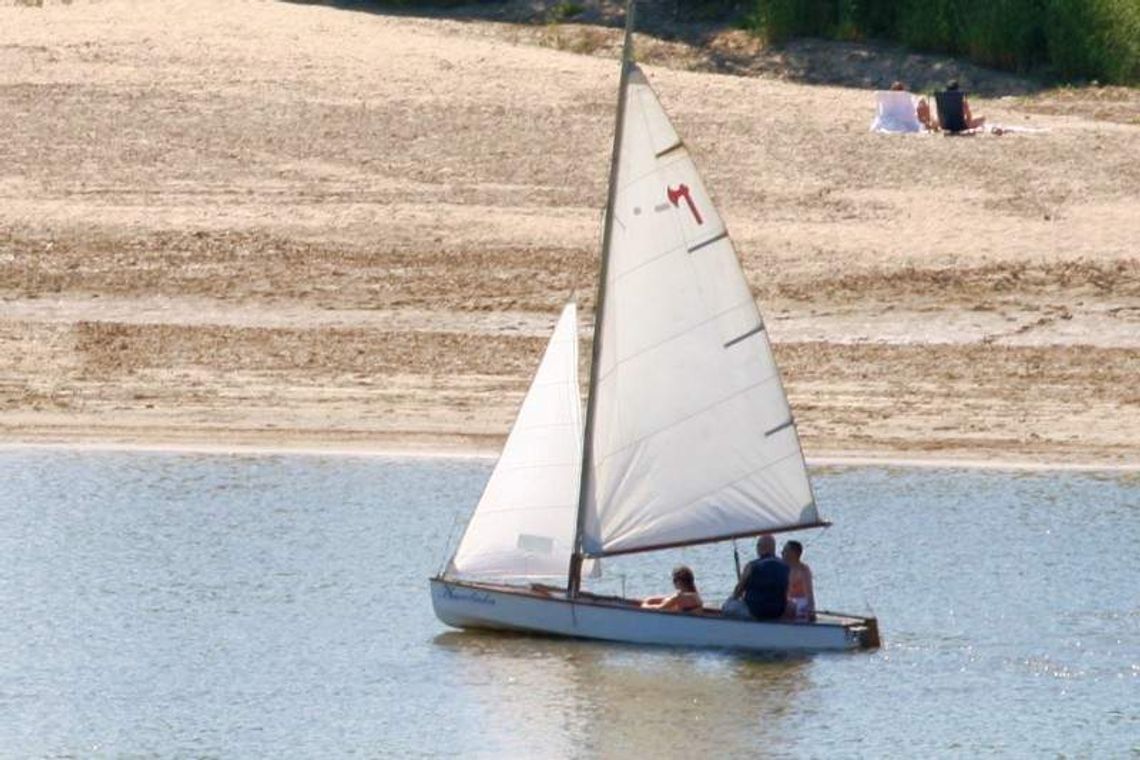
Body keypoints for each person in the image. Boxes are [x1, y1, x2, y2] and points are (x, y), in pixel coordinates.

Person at [721, 535, 789, 620]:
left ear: (760, 547)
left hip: (755, 613)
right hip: (777, 612)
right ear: (774, 548)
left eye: (757, 545)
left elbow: (738, 590)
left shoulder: (752, 565)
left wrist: (733, 598)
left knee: (728, 606)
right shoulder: (785, 566)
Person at [781, 540, 816, 622]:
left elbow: (809, 593)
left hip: (800, 603)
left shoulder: (803, 569)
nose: (782, 553)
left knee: (790, 607)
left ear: (793, 553)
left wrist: (811, 610)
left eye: (785, 551)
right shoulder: (781, 569)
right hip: (785, 602)